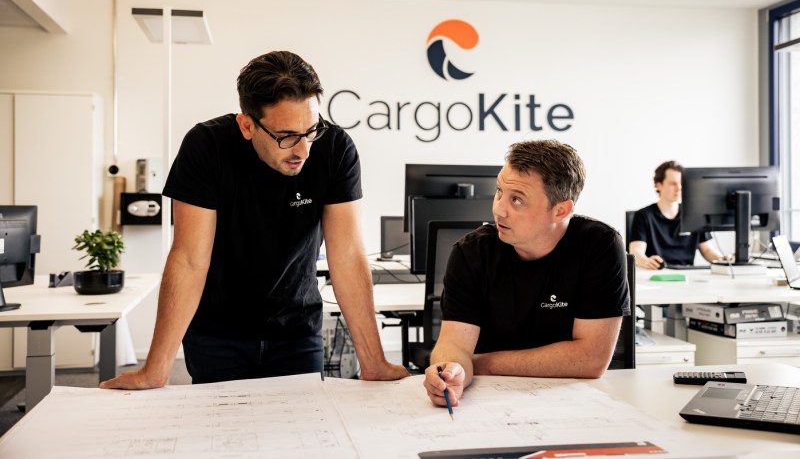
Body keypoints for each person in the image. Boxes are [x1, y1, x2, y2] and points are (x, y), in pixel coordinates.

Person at [101, 51, 408, 389]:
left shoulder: (335, 149)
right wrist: (155, 371)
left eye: (311, 130)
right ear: (247, 125)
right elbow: (189, 260)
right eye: (287, 136)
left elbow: (347, 256)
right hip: (217, 333)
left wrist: (374, 362)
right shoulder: (207, 148)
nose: (303, 150)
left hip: (296, 330)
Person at [423, 139, 630, 409]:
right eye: (499, 192)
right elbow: (454, 345)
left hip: (575, 399)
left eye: (517, 200)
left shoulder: (599, 245)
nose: (499, 209)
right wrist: (452, 370)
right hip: (493, 398)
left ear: (561, 210)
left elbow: (590, 360)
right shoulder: (471, 252)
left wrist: (476, 363)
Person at [629, 160, 731, 270]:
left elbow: (707, 250)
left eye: (681, 183)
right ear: (659, 185)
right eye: (673, 183)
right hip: (657, 273)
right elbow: (636, 251)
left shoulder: (695, 214)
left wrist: (722, 259)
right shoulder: (643, 216)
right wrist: (646, 261)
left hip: (687, 275)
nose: (679, 188)